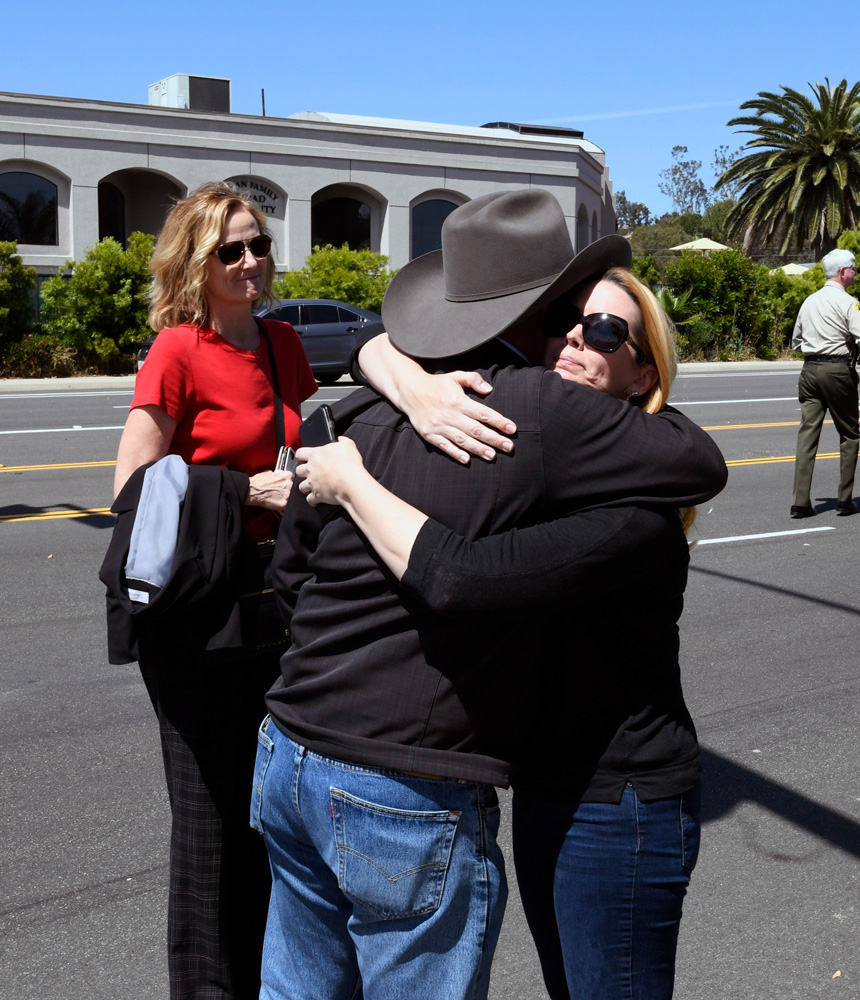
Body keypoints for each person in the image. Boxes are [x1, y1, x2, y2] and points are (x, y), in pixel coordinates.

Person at [253, 189, 727, 1000]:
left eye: (605, 329)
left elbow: (291, 580)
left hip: (292, 748)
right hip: (405, 773)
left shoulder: (353, 416)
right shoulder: (539, 412)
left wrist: (383, 382)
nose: (578, 334)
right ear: (543, 306)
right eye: (571, 314)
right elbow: (699, 459)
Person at [112, 182, 317, 1000]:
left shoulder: (281, 346)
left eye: (258, 244)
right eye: (229, 249)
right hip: (198, 618)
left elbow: (304, 444)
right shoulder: (176, 351)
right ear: (195, 262)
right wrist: (245, 494)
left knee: (272, 820)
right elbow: (131, 488)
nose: (249, 262)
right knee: (208, 831)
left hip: (278, 609)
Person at [790, 247, 860, 518]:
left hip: (809, 370)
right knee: (850, 433)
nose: (855, 272)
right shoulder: (849, 303)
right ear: (843, 273)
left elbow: (796, 341)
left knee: (807, 435)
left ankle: (800, 502)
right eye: (853, 268)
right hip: (837, 370)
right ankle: (844, 499)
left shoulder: (809, 301)